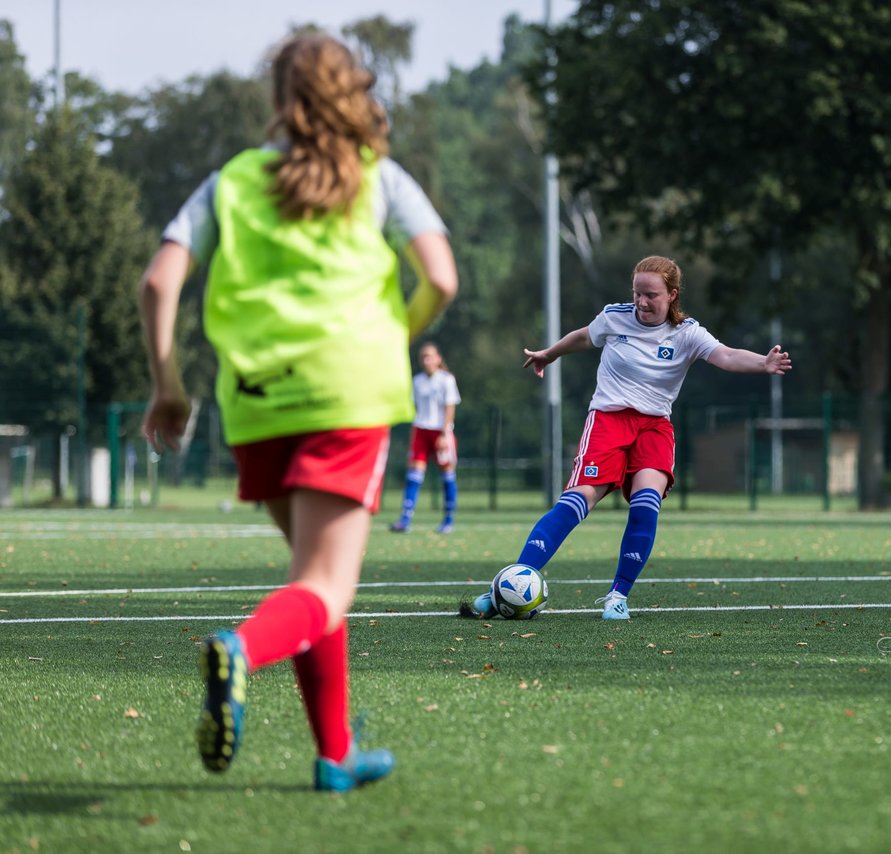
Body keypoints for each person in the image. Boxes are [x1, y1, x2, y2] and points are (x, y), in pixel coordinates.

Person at [138, 33, 457, 792]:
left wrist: (168, 384)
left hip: (256, 400)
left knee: (314, 579)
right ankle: (240, 649)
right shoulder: (378, 175)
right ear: (350, 94)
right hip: (345, 395)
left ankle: (334, 754)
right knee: (323, 584)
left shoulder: (230, 181)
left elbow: (158, 283)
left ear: (280, 98)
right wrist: (396, 332)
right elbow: (441, 278)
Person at [461, 255, 791, 621]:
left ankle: (618, 596)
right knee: (576, 501)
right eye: (637, 293)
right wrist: (549, 354)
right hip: (607, 422)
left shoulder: (688, 334)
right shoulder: (615, 318)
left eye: (651, 295)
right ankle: (509, 585)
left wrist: (762, 362)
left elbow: (726, 355)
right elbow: (584, 337)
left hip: (654, 429)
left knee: (647, 503)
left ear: (672, 295)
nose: (642, 303)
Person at [390, 342, 461, 534]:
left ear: (438, 359)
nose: (426, 360)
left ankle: (448, 519)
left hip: (440, 432)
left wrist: (445, 434)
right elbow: (417, 411)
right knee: (414, 475)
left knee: (447, 475)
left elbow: (450, 408)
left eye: (429, 356)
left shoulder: (446, 380)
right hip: (421, 431)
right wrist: (413, 439)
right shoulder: (417, 381)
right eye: (423, 357)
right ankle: (405, 519)